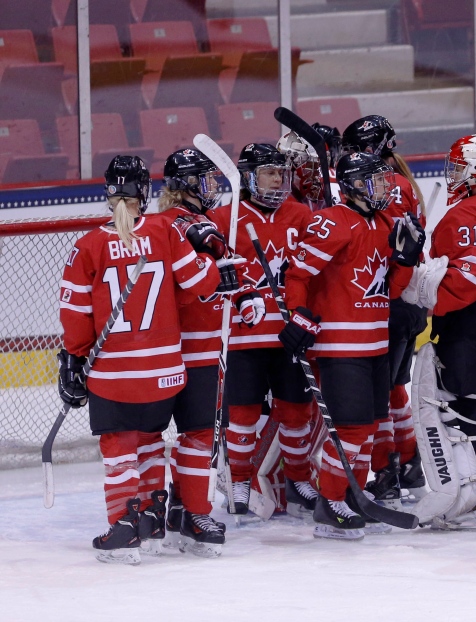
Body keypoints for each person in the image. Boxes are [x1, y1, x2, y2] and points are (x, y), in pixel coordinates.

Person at [58, 155, 239, 564]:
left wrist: (75, 357)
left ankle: (126, 524)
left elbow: (75, 316)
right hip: (165, 371)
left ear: (108, 194)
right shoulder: (164, 230)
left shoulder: (85, 246)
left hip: (113, 372)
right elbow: (199, 282)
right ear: (146, 192)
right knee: (152, 441)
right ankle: (154, 520)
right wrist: (215, 265)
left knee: (122, 447)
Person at [281, 151, 423, 539]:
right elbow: (297, 275)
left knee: (373, 427)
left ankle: (354, 496)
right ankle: (330, 503)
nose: (384, 188)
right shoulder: (331, 224)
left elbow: (389, 290)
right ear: (353, 185)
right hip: (341, 347)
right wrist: (298, 314)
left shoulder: (385, 223)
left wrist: (406, 259)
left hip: (376, 343)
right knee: (351, 431)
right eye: (375, 181)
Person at [156, 149, 265, 556]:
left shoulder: (205, 222)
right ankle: (167, 509)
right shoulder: (164, 227)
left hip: (199, 345)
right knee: (178, 435)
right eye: (205, 179)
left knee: (199, 432)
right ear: (185, 184)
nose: (214, 187)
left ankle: (187, 507)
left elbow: (230, 267)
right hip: (174, 346)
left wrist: (245, 296)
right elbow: (199, 275)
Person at [403, 134, 476, 527]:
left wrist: (423, 291)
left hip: (471, 322)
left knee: (460, 403)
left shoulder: (464, 215)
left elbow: (470, 277)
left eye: (457, 166)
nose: (452, 174)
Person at [209, 144, 316, 519]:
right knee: (242, 414)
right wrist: (239, 295)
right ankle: (239, 479)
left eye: (282, 174)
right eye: (271, 173)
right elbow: (217, 273)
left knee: (296, 411)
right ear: (250, 178)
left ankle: (299, 479)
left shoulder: (300, 214)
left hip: (289, 333)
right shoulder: (226, 217)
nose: (279, 180)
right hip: (243, 335)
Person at [341, 115, 429, 506]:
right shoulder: (404, 183)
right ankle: (406, 464)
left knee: (377, 398)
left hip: (386, 299)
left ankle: (386, 471)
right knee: (394, 391)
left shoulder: (384, 186)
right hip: (409, 299)